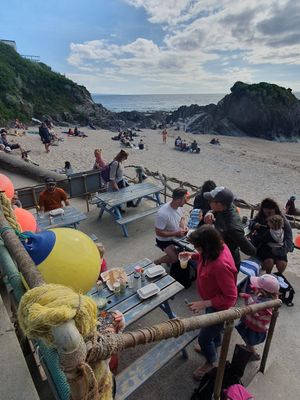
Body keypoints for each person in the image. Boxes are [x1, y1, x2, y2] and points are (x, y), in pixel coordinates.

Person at [181, 226, 237, 379]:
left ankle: (211, 361)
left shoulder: (220, 266)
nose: (196, 250)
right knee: (214, 331)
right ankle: (215, 344)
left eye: (198, 248)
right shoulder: (215, 248)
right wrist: (192, 256)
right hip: (211, 300)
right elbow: (203, 257)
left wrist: (204, 303)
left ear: (207, 247)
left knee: (204, 338)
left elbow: (231, 297)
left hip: (219, 307)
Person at [203, 187, 256, 270]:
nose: (208, 202)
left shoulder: (232, 227)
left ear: (219, 204)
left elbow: (251, 250)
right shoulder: (228, 206)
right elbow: (217, 211)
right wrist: (210, 212)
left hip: (229, 263)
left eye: (210, 201)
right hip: (218, 254)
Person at [236, 274, 279, 361]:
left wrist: (247, 297)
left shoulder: (265, 305)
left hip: (253, 327)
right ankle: (251, 349)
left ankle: (253, 353)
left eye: (258, 287)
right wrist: (256, 289)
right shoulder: (273, 299)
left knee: (248, 340)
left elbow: (254, 308)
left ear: (263, 292)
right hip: (254, 325)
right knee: (248, 339)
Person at [249, 198, 293, 274]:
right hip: (264, 246)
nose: (267, 215)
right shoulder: (260, 216)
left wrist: (282, 250)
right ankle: (267, 274)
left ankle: (279, 275)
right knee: (269, 262)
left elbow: (289, 237)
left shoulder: (283, 220)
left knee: (282, 264)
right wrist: (254, 225)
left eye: (269, 213)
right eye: (265, 212)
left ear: (275, 210)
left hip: (280, 247)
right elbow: (250, 222)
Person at [154, 187, 188, 265]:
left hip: (176, 236)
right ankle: (157, 261)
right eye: (185, 199)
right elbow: (158, 232)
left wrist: (184, 227)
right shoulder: (162, 214)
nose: (186, 201)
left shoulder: (179, 206)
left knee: (186, 250)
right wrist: (175, 233)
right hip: (164, 240)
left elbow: (182, 218)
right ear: (179, 200)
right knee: (175, 259)